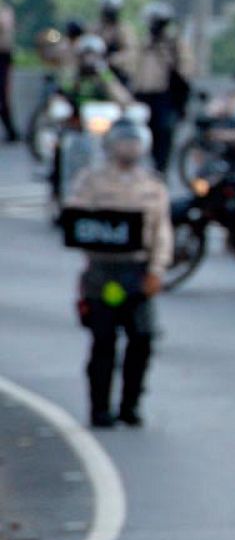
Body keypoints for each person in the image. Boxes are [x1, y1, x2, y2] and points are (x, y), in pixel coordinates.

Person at [65, 118, 171, 428]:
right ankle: (100, 407)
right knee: (103, 339)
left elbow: (161, 232)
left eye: (135, 142)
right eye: (124, 141)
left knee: (143, 337)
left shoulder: (152, 185)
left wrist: (157, 270)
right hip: (103, 272)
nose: (130, 148)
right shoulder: (92, 181)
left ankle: (132, 403)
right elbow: (75, 219)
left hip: (136, 271)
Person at [128, 2, 191, 173]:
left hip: (164, 97)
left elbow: (184, 71)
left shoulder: (173, 44)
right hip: (142, 96)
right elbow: (133, 67)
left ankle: (160, 171)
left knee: (163, 135)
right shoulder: (143, 43)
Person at [96, 0, 135, 81]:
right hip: (98, 71)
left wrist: (111, 60)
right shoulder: (97, 28)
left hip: (118, 73)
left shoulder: (124, 29)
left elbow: (130, 52)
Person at [0, 0, 17, 142]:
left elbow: (4, 26)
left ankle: (11, 131)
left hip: (2, 57)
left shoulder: (5, 12)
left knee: (2, 96)